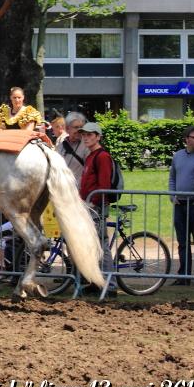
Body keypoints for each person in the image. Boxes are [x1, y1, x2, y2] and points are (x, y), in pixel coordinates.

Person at [78, 122, 117, 296]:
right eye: (84, 135)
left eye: (90, 135)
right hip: (89, 206)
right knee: (93, 246)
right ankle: (96, 282)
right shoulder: (91, 156)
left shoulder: (102, 157)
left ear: (98, 136)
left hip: (96, 208)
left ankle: (110, 284)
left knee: (102, 245)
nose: (86, 137)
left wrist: (94, 201)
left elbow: (104, 185)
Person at [169, 125, 194, 286]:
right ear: (186, 140)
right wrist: (173, 196)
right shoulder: (177, 156)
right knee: (183, 242)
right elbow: (172, 177)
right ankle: (183, 276)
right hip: (180, 204)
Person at [56, 112, 89, 187]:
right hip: (62, 189)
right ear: (67, 129)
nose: (79, 130)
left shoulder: (87, 146)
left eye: (81, 127)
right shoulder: (60, 145)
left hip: (80, 191)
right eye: (76, 127)